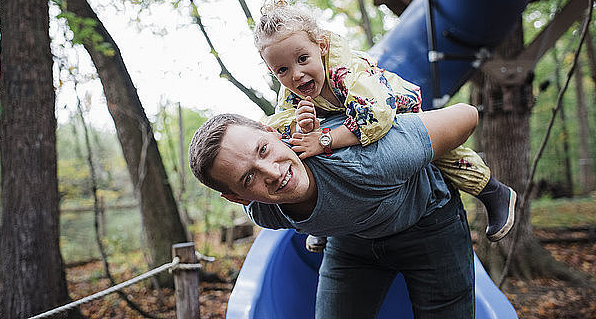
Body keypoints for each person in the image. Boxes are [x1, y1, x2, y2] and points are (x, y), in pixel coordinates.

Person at [254, 0, 516, 251]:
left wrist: (325, 139)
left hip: (392, 110)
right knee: (304, 146)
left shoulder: (348, 71)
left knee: (438, 151)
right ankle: (324, 224)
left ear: (321, 46)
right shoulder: (291, 91)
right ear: (272, 71)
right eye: (283, 70)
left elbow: (374, 116)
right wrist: (301, 127)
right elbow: (282, 125)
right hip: (350, 119)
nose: (297, 75)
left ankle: (492, 191)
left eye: (302, 59)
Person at [189, 103, 478, 318]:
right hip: (353, 240)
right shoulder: (265, 212)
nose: (273, 173)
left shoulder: (366, 162)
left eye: (263, 150)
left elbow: (467, 115)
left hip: (428, 222)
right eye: (248, 178)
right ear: (237, 197)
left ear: (272, 132)